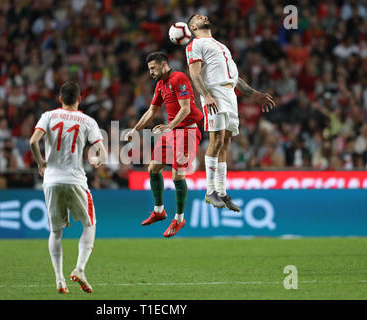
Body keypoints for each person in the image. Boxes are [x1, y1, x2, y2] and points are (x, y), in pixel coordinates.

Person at [186, 14, 276, 211]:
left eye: (204, 15)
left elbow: (235, 79)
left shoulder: (221, 46)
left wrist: (255, 94)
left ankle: (222, 191)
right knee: (216, 140)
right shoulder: (195, 45)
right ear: (193, 26)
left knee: (225, 142)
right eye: (199, 17)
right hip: (214, 92)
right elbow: (194, 73)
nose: (204, 16)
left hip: (229, 93)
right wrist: (207, 95)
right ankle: (210, 191)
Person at [29, 81, 107, 294]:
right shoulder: (87, 120)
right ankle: (80, 269)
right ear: (80, 99)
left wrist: (40, 163)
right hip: (75, 180)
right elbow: (102, 151)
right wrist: (97, 160)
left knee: (55, 231)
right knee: (89, 224)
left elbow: (33, 142)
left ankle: (59, 280)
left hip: (51, 180)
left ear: (60, 99)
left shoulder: (48, 116)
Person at [125, 51, 203, 237]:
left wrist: (169, 126)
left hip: (187, 131)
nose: (151, 72)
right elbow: (152, 110)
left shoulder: (179, 78)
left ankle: (179, 218)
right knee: (153, 168)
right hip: (172, 132)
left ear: (163, 64)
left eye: (153, 68)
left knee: (177, 175)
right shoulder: (160, 85)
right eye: (149, 69)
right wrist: (135, 129)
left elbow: (185, 110)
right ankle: (159, 211)